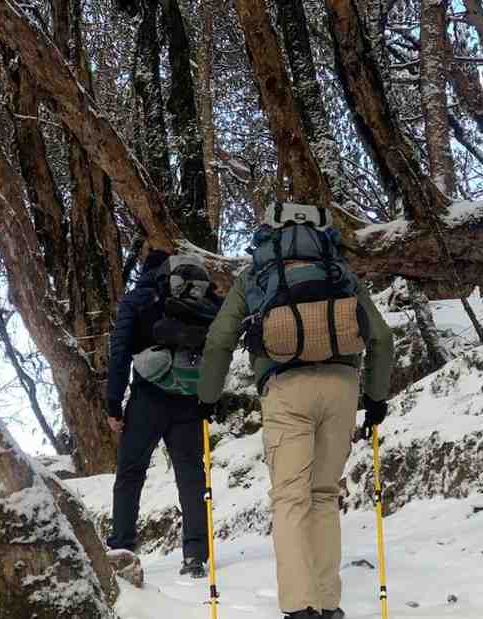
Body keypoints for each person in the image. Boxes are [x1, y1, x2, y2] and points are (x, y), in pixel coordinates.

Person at [197, 204, 394, 619]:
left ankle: (300, 607)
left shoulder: (256, 275)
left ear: (268, 233)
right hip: (341, 387)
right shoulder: (339, 272)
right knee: (324, 495)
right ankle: (327, 604)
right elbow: (380, 336)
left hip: (285, 388)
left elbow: (218, 340)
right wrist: (375, 398)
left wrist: (208, 397)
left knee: (290, 498)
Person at [105, 249, 219, 578]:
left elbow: (121, 351)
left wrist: (114, 403)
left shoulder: (136, 300)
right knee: (191, 476)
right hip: (189, 398)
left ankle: (122, 549)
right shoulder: (202, 299)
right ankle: (195, 555)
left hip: (147, 399)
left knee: (130, 475)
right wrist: (209, 396)